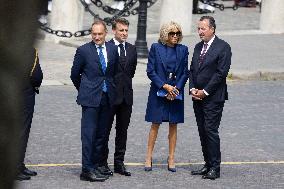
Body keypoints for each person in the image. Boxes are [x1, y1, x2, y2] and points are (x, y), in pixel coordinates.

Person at [70, 19, 119, 182]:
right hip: (90, 99)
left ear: (106, 33)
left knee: (102, 135)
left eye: (99, 34)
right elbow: (74, 74)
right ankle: (87, 170)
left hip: (107, 98)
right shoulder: (83, 51)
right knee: (89, 135)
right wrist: (85, 90)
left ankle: (97, 166)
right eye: (94, 34)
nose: (97, 37)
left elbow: (114, 73)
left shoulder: (113, 49)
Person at [189, 16, 232, 180]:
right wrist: (193, 88)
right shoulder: (198, 47)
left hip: (213, 98)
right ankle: (207, 164)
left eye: (203, 29)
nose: (200, 32)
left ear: (212, 29)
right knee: (202, 131)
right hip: (197, 97)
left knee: (210, 130)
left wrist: (205, 91)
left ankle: (215, 167)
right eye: (198, 29)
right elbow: (192, 70)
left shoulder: (223, 47)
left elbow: (221, 73)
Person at [144, 21, 189, 172]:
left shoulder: (183, 49)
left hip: (175, 92)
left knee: (173, 124)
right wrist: (165, 86)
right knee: (155, 124)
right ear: (165, 34)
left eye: (177, 33)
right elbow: (151, 71)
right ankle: (148, 156)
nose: (175, 36)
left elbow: (185, 72)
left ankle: (171, 157)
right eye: (172, 33)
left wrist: (175, 89)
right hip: (158, 91)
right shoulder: (156, 48)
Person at [101, 18, 137, 177]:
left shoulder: (132, 49)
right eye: (121, 30)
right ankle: (102, 163)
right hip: (109, 97)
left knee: (122, 132)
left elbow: (131, 72)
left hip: (126, 98)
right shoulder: (106, 47)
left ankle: (119, 163)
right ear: (114, 31)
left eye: (126, 31)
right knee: (105, 131)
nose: (124, 33)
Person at [16, 47, 43, 181]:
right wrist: (36, 85)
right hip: (23, 92)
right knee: (21, 131)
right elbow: (35, 74)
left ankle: (19, 165)